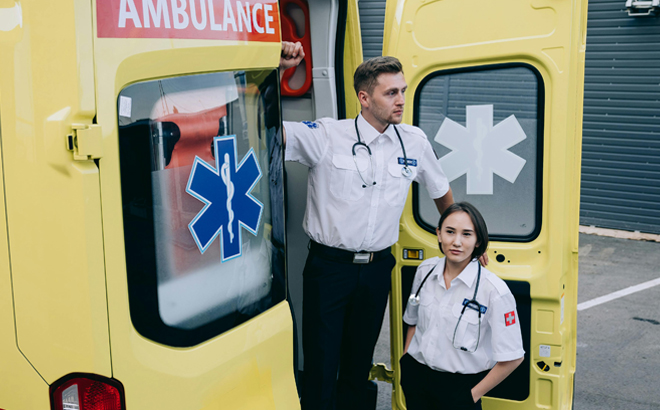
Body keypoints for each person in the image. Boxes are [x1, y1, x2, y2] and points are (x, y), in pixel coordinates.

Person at [279, 41, 455, 410]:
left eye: (403, 91)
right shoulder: (327, 136)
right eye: (391, 92)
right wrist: (277, 70)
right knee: (322, 364)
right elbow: (266, 129)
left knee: (358, 365)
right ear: (364, 97)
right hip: (329, 269)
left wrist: (463, 243)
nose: (401, 100)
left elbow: (441, 192)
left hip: (377, 270)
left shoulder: (414, 142)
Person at [400, 202, 524, 410]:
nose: (456, 242)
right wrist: (407, 364)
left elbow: (513, 358)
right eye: (450, 232)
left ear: (478, 241)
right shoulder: (425, 271)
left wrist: (471, 396)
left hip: (460, 390)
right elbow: (412, 321)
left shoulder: (494, 291)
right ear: (439, 234)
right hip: (417, 379)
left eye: (467, 234)